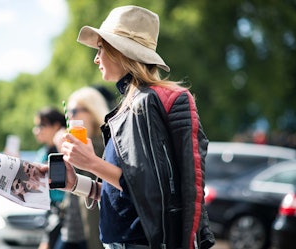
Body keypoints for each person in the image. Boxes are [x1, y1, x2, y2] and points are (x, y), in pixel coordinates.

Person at [53, 5, 215, 249]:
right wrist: (76, 183)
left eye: (100, 48)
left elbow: (147, 189)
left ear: (119, 51)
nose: (96, 58)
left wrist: (91, 163)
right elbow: (128, 196)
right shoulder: (130, 106)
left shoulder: (145, 103)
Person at [52, 87, 109, 249]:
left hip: (94, 232)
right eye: (68, 111)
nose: (69, 116)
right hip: (71, 228)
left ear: (92, 112)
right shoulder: (73, 144)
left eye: (74, 111)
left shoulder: (106, 144)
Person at [33, 107, 67, 249]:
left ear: (57, 126)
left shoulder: (68, 149)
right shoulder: (43, 152)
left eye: (42, 125)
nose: (36, 130)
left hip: (68, 217)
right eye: (36, 126)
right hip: (51, 213)